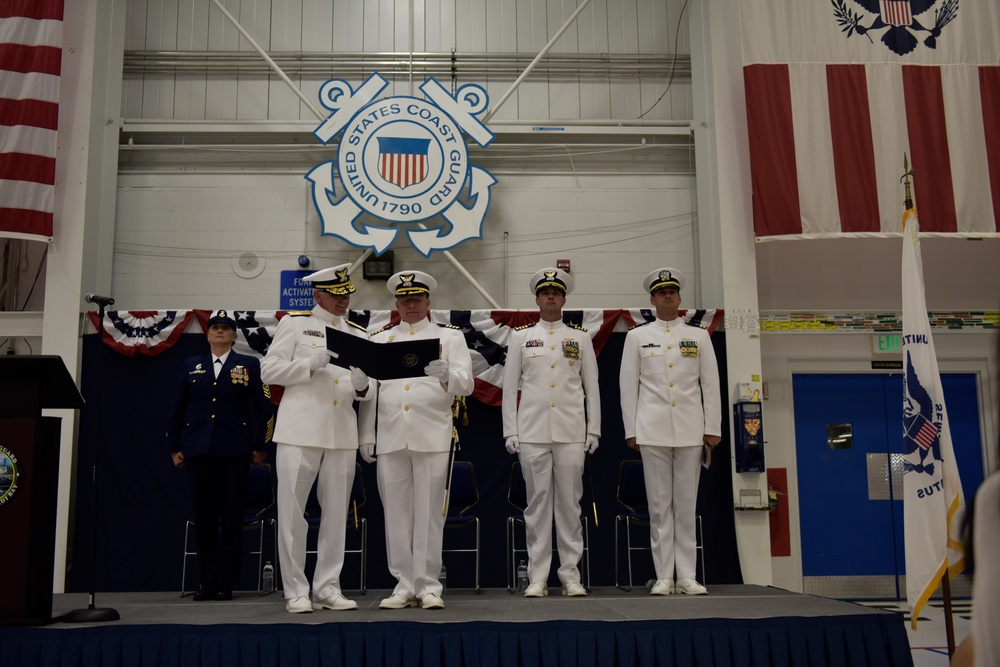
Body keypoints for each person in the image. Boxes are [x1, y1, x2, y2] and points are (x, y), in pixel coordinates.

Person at [259, 264, 375, 614]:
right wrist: (309, 364)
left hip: (341, 432)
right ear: (318, 295)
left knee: (337, 514)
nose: (343, 301)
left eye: (347, 294)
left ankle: (327, 586)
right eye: (336, 295)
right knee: (293, 513)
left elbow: (371, 390)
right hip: (299, 430)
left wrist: (363, 388)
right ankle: (295, 589)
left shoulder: (359, 332)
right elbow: (269, 371)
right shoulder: (295, 323)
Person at [358, 270, 474, 610]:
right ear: (396, 303)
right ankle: (403, 584)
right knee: (396, 514)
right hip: (391, 435)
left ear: (428, 302)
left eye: (416, 299)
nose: (410, 305)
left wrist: (447, 375)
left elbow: (466, 384)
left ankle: (428, 585)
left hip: (432, 435)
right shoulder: (380, 339)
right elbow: (372, 393)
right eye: (404, 300)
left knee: (429, 514)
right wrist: (368, 434)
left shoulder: (449, 338)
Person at [619, 267, 721, 596]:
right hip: (652, 430)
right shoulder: (637, 336)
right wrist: (631, 429)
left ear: (679, 298)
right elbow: (627, 387)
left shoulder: (699, 336)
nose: (667, 296)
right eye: (661, 292)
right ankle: (664, 575)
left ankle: (687, 575)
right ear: (651, 299)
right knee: (660, 506)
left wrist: (712, 426)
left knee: (687, 505)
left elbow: (711, 384)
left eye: (672, 292)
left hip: (691, 430)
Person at [501, 268, 600, 598]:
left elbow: (592, 388)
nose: (551, 297)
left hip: (571, 431)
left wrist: (594, 429)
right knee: (538, 506)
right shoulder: (521, 338)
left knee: (570, 506)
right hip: (532, 431)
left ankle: (570, 574)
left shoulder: (580, 338)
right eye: (545, 293)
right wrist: (509, 430)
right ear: (537, 300)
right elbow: (509, 386)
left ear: (564, 299)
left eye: (556, 293)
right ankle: (538, 576)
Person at [167, 309, 273, 601]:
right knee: (204, 520)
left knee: (230, 519)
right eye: (215, 327)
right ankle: (207, 583)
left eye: (226, 328)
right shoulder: (192, 365)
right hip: (198, 451)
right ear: (207, 334)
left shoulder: (249, 364)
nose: (220, 332)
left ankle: (226, 583)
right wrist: (175, 447)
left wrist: (262, 446)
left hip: (234, 452)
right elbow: (177, 410)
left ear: (234, 336)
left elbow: (264, 409)